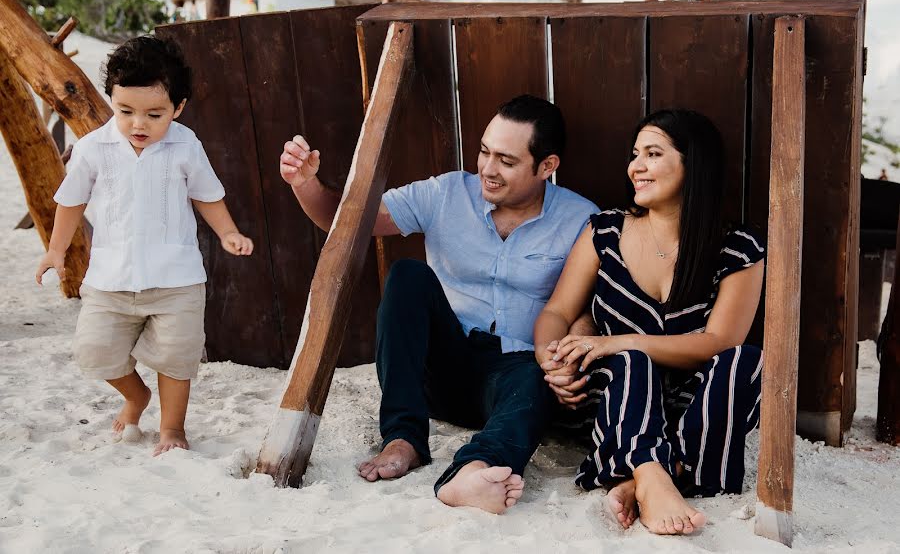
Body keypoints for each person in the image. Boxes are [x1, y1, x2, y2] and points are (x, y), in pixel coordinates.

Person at [279, 95, 597, 513]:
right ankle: (404, 439)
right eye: (484, 151)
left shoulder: (581, 218)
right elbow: (352, 221)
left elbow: (589, 307)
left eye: (506, 160)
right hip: (442, 368)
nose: (487, 168)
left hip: (514, 376)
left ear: (547, 166)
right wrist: (305, 184)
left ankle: (473, 472)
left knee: (536, 378)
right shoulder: (447, 192)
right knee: (407, 276)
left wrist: (570, 354)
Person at [534, 109, 765, 535]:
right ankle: (653, 469)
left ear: (692, 164)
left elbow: (719, 341)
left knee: (744, 360)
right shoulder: (604, 231)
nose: (636, 166)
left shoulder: (738, 249)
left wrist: (617, 340)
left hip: (692, 405)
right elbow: (557, 312)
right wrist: (550, 360)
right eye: (635, 154)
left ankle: (641, 475)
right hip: (616, 400)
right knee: (630, 362)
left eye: (653, 154)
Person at [35, 35, 254, 456]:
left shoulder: (186, 145)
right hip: (109, 279)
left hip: (177, 278)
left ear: (179, 108)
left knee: (176, 358)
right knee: (93, 349)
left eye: (155, 114)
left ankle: (172, 429)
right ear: (112, 101)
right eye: (125, 111)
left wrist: (227, 232)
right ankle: (136, 396)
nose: (139, 124)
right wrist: (55, 250)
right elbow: (71, 200)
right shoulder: (93, 148)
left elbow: (207, 194)